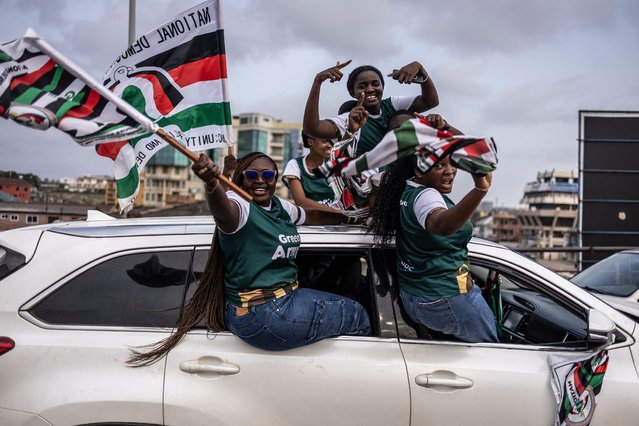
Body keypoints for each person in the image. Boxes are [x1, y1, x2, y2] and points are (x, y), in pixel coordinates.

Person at [128, 152, 370, 365]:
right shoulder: (240, 208)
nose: (261, 181)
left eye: (268, 175)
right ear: (241, 179)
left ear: (276, 178)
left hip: (280, 303)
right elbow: (223, 212)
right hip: (265, 313)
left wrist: (349, 218)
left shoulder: (278, 206)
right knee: (359, 314)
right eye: (252, 175)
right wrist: (212, 183)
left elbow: (311, 217)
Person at [366, 114, 498, 343]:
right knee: (495, 356)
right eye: (439, 165)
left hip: (417, 296)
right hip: (445, 297)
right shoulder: (426, 196)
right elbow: (440, 224)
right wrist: (480, 190)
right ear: (418, 170)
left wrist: (446, 129)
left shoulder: (404, 189)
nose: (450, 171)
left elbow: (481, 163)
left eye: (452, 163)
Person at [303, 59, 439, 156]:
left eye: (375, 84)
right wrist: (318, 82)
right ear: (352, 93)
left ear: (382, 87)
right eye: (362, 86)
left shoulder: (391, 105)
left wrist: (421, 71)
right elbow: (312, 129)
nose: (370, 89)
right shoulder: (350, 119)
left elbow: (430, 101)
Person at [282, 133, 340, 212]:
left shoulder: (335, 163)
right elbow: (301, 202)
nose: (329, 145)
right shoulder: (295, 165)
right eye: (324, 141)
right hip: (312, 220)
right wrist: (336, 212)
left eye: (331, 142)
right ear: (310, 142)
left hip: (340, 221)